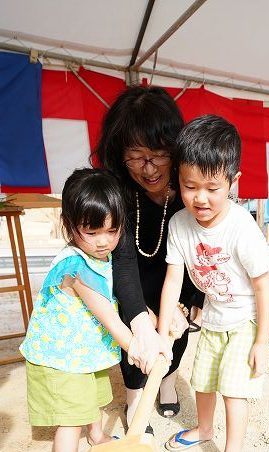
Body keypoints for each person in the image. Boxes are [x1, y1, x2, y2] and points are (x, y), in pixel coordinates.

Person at [158, 115, 269, 452]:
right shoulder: (179, 223)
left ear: (233, 181)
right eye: (190, 186)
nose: (200, 198)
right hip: (213, 314)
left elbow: (264, 287)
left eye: (212, 187)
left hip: (247, 316)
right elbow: (173, 279)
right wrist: (163, 332)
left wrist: (262, 341)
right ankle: (204, 429)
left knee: (233, 387)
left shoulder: (241, 227)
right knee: (203, 379)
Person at [20, 168, 147, 452]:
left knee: (91, 397)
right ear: (69, 225)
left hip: (80, 353)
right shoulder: (76, 268)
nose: (104, 241)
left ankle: (97, 435)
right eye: (92, 231)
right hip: (59, 358)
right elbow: (108, 317)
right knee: (70, 419)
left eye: (112, 230)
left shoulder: (99, 255)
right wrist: (136, 347)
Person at [96, 86, 196, 422]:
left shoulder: (189, 190)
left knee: (174, 331)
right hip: (131, 276)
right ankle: (135, 396)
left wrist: (187, 305)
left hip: (178, 276)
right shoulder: (118, 189)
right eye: (136, 156)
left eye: (158, 154)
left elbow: (202, 249)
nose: (149, 168)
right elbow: (122, 260)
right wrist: (140, 321)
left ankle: (166, 380)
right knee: (136, 332)